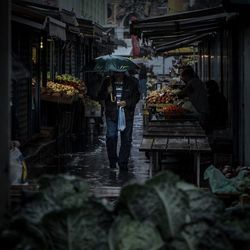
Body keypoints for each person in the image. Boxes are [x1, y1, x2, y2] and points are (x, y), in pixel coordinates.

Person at [98, 69, 140, 171]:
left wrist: (127, 103)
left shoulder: (132, 82)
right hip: (111, 114)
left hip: (127, 114)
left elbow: (136, 97)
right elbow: (100, 96)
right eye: (116, 72)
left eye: (120, 72)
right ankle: (113, 161)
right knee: (111, 136)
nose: (118, 74)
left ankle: (123, 162)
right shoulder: (107, 81)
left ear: (124, 72)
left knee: (126, 139)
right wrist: (107, 92)